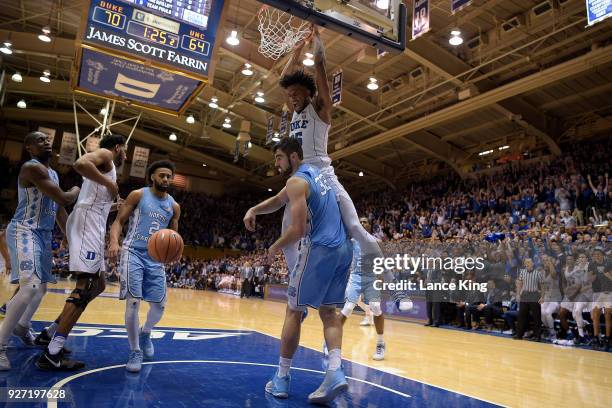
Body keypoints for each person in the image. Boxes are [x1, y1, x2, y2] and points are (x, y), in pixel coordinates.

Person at [244, 138, 352, 404]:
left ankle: (281, 378)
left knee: (294, 310)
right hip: (343, 250)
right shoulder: (319, 176)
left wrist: (273, 248)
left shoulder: (296, 182)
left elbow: (298, 229)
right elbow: (279, 200)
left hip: (319, 249)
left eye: (279, 158)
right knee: (329, 312)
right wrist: (255, 209)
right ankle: (335, 371)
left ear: (293, 157)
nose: (277, 163)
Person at [36, 134, 126, 370]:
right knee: (85, 286)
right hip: (88, 223)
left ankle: (50, 333)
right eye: (124, 150)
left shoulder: (108, 167)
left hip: (92, 220)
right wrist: (108, 184)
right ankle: (52, 353)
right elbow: (80, 163)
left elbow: (94, 199)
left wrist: (114, 205)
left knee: (99, 285)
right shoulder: (107, 155)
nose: (125, 154)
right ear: (118, 148)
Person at [0, 131, 80, 370]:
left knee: (41, 288)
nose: (47, 142)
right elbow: (66, 199)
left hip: (43, 236)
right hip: (24, 230)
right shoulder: (31, 168)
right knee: (30, 287)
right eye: (40, 140)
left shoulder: (52, 173)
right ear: (29, 148)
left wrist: (71, 239)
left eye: (47, 139)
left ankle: (22, 327)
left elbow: (58, 210)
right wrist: (78, 189)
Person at [109, 160, 181, 373]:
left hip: (156, 259)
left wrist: (176, 252)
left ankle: (146, 331)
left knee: (158, 307)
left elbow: (175, 236)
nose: (165, 179)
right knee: (133, 303)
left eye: (169, 176)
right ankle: (135, 350)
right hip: (132, 253)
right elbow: (118, 221)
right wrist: (114, 241)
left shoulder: (174, 206)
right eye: (161, 175)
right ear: (152, 176)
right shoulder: (138, 195)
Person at [336, 217, 388, 361]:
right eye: (360, 221)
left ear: (369, 225)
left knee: (376, 307)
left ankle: (380, 343)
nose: (362, 223)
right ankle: (331, 341)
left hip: (371, 278)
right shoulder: (351, 242)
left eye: (365, 221)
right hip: (355, 277)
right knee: (347, 308)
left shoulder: (377, 242)